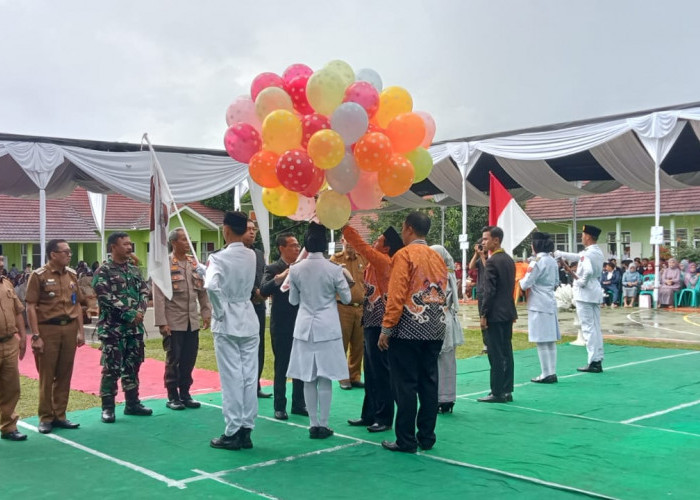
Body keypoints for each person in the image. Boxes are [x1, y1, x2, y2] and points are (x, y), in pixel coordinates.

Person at [378, 212, 448, 453]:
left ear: (408, 228)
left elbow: (396, 295)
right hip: (435, 326)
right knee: (429, 382)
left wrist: (387, 328)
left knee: (405, 385)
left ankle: (406, 439)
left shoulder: (404, 255)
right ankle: (427, 436)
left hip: (407, 328)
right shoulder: (437, 257)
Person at [286, 223, 352, 439]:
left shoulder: (295, 269)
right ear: (325, 246)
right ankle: (323, 423)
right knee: (325, 377)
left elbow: (293, 300)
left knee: (308, 377)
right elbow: (348, 298)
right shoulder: (334, 269)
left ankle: (312, 423)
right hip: (328, 327)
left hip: (304, 327)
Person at [206, 212, 260, 451]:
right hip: (247, 317)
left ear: (226, 230)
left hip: (228, 320)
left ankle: (232, 430)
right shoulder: (251, 255)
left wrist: (219, 311)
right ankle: (246, 428)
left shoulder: (218, 258)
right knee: (249, 376)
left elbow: (212, 285)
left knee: (231, 378)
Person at [343, 225, 403, 433]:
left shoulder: (384, 261)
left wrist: (345, 228)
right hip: (370, 322)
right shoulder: (373, 264)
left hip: (380, 324)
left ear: (386, 248)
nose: (374, 243)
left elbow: (362, 247)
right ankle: (369, 414)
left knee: (381, 373)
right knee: (371, 371)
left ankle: (384, 417)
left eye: (378, 240)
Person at [25, 239, 86, 434]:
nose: (70, 255)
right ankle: (45, 417)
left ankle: (60, 415)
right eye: (66, 252)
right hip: (47, 329)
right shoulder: (38, 275)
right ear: (53, 254)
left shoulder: (72, 275)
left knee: (64, 374)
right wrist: (36, 335)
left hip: (68, 328)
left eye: (70, 252)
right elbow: (30, 306)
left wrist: (80, 331)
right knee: (47, 375)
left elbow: (76, 304)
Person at [93, 232, 151, 423]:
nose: (129, 247)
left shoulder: (134, 270)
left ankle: (132, 403)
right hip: (113, 330)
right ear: (113, 247)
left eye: (130, 244)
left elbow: (144, 290)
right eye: (125, 244)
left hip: (134, 329)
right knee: (112, 367)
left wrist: (140, 311)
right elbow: (105, 297)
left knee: (133, 365)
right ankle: (108, 407)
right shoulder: (104, 271)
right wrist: (129, 313)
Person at [153, 228, 212, 411]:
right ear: (174, 243)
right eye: (184, 239)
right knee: (174, 359)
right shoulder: (164, 265)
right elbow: (159, 295)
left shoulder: (194, 264)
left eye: (188, 239)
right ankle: (173, 395)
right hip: (174, 320)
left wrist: (206, 313)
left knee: (189, 358)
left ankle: (185, 393)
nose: (188, 243)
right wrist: (162, 322)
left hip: (191, 320)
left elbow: (203, 291)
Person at [261, 233, 307, 420]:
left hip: (301, 322)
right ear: (282, 248)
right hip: (281, 324)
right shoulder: (273, 268)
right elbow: (263, 289)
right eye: (293, 245)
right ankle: (280, 405)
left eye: (298, 245)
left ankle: (299, 403)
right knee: (282, 365)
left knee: (301, 365)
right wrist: (283, 276)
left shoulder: (303, 267)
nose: (297, 249)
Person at [556, 224, 605, 373]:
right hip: (594, 291)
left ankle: (593, 361)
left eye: (583, 235)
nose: (582, 237)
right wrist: (561, 253)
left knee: (588, 328)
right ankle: (597, 357)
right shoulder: (595, 252)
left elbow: (588, 270)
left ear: (588, 237)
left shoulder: (589, 254)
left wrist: (581, 280)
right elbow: (578, 256)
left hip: (585, 292)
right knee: (595, 327)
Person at [478, 226, 517, 403]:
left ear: (496, 240)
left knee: (495, 353)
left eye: (486, 239)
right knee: (506, 351)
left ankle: (497, 391)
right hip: (507, 312)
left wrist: (483, 313)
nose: (483, 242)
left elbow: (489, 291)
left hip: (494, 313)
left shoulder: (493, 261)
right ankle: (507, 389)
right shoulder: (509, 259)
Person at [519, 233, 560, 384]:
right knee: (550, 340)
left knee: (541, 340)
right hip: (549, 301)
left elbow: (525, 283)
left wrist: (519, 281)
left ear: (535, 246)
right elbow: (556, 282)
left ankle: (545, 373)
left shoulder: (536, 262)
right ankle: (552, 371)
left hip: (538, 303)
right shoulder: (552, 261)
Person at [430, 245, 464, 413]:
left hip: (440, 320)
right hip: (447, 319)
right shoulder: (448, 274)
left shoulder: (439, 276)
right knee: (448, 361)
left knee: (439, 361)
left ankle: (440, 398)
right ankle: (448, 398)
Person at [330, 237, 367, 390]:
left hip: (360, 307)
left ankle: (355, 376)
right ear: (342, 241)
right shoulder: (335, 259)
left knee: (359, 344)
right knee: (342, 343)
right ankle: (342, 377)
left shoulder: (363, 258)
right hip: (343, 307)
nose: (350, 244)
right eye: (347, 240)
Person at [0, 271, 28, 441]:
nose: (1, 264)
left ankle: (9, 427)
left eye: (2, 260)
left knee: (11, 387)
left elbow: (18, 311)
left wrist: (23, 337)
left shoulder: (7, 283)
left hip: (9, 342)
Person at [244, 221, 271, 399]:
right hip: (243, 305)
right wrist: (255, 291)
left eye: (254, 229)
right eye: (248, 229)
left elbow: (263, 276)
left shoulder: (259, 253)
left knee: (259, 344)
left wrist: (263, 292)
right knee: (245, 346)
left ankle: (256, 384)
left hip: (259, 305)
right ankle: (245, 385)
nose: (252, 232)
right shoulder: (233, 254)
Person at [468, 238, 488, 353]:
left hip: (488, 291)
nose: (482, 247)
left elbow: (488, 269)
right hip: (481, 291)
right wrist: (476, 254)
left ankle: (491, 344)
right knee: (481, 318)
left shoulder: (490, 258)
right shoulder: (480, 259)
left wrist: (482, 256)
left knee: (487, 318)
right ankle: (485, 345)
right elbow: (471, 267)